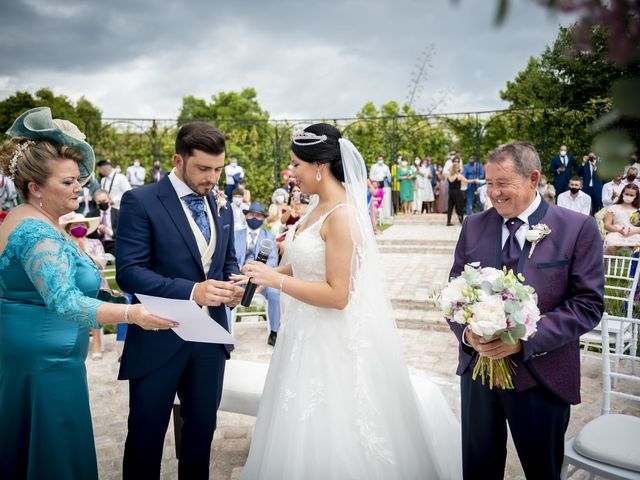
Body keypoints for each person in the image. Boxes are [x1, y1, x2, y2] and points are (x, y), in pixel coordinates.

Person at [239, 123, 460, 479]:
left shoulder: (342, 215)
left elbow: (338, 294)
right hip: (302, 335)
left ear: (319, 167)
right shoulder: (315, 206)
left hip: (332, 339)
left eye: (296, 164)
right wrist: (261, 280)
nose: (291, 172)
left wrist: (276, 279)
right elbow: (309, 262)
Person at [0, 107, 175, 480]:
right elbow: (63, 300)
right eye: (67, 182)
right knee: (54, 453)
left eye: (79, 179)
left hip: (41, 354)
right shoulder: (35, 231)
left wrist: (121, 300)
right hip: (45, 363)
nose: (80, 187)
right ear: (35, 187)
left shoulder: (41, 222)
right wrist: (132, 315)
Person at [448, 141, 603, 479]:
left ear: (533, 179)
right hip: (478, 374)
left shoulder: (578, 228)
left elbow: (587, 305)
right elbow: (455, 294)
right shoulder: (473, 224)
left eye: (503, 183)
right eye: (488, 183)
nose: (493, 193)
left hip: (541, 378)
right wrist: (469, 334)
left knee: (542, 470)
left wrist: (523, 341)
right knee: (478, 468)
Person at [115, 121, 244, 480]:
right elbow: (129, 271)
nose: (212, 179)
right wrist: (192, 291)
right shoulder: (140, 201)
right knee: (145, 439)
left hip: (210, 340)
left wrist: (234, 288)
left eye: (218, 169)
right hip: (159, 337)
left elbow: (225, 260)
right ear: (178, 159)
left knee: (201, 436)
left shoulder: (222, 204)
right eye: (203, 168)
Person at [60, 212, 108, 360]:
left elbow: (102, 263)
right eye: (75, 225)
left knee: (94, 312)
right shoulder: (64, 245)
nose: (79, 227)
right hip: (73, 284)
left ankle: (97, 344)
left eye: (82, 225)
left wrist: (84, 252)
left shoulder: (95, 243)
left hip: (96, 283)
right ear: (68, 229)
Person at [234, 202, 280, 346]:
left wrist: (261, 279)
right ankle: (227, 334)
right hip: (240, 277)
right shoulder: (236, 235)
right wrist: (242, 273)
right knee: (227, 291)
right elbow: (231, 258)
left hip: (262, 279)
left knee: (274, 293)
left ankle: (274, 332)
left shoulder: (269, 237)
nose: (254, 218)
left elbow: (272, 260)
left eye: (259, 216)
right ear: (246, 215)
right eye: (251, 214)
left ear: (263, 218)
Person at [603, 183, 640, 255]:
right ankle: (610, 265)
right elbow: (607, 225)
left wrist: (632, 232)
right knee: (611, 245)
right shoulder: (614, 208)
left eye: (631, 195)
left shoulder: (638, 210)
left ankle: (632, 266)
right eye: (627, 194)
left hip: (634, 234)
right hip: (616, 233)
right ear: (623, 193)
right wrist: (619, 230)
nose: (628, 196)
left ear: (636, 196)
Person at [87, 189, 119, 255]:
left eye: (104, 201)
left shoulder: (119, 213)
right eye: (99, 202)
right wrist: (98, 231)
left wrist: (109, 231)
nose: (102, 203)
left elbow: (124, 231)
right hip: (96, 244)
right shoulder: (90, 215)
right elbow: (88, 233)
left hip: (113, 243)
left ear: (109, 199)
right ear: (95, 202)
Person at [446, 159, 469, 226]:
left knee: (450, 207)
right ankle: (461, 221)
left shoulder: (449, 176)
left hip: (450, 193)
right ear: (457, 169)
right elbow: (467, 181)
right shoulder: (458, 176)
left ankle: (448, 221)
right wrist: (475, 180)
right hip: (458, 193)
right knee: (459, 207)